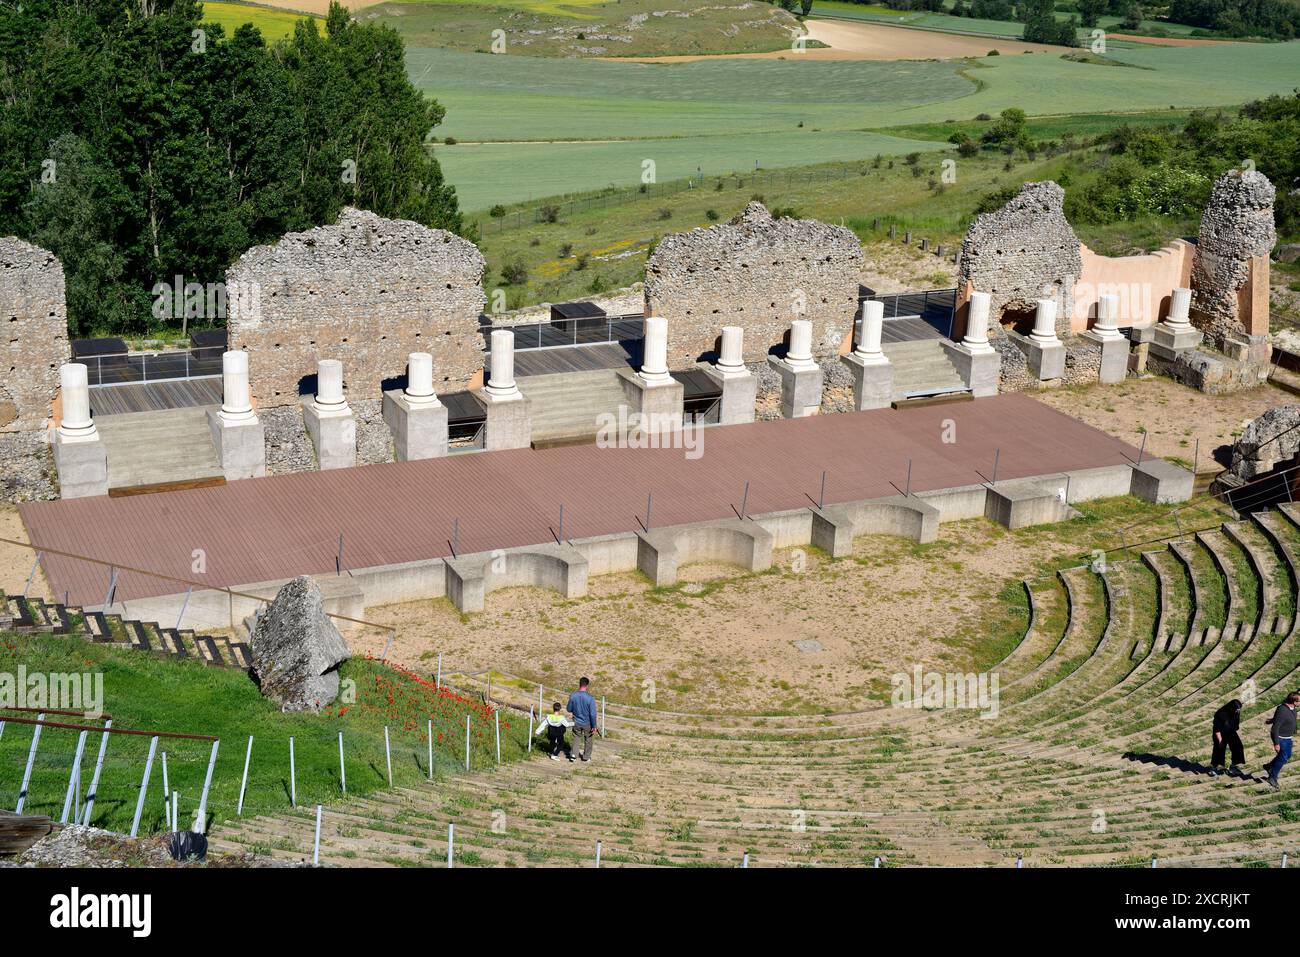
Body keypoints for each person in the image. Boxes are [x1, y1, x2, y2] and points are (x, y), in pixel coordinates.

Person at [1264, 692, 1299, 790]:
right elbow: (1275, 728)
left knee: (1287, 755)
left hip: (1288, 737)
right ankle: (1272, 777)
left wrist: (1271, 720)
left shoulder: (1292, 708)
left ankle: (1269, 766)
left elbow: (1278, 719)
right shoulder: (1283, 710)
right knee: (1283, 758)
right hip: (1281, 738)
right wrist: (1276, 743)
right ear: (1294, 701)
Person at [567, 676, 599, 763]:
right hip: (587, 722)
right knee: (588, 739)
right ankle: (586, 757)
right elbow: (592, 714)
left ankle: (573, 755)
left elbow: (569, 709)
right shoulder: (590, 698)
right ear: (587, 685)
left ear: (579, 684)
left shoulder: (573, 696)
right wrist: (594, 726)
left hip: (576, 721)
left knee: (576, 737)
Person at [1209, 699, 1244, 777]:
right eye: (1236, 710)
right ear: (1231, 708)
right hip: (1220, 734)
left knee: (1238, 747)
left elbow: (1236, 724)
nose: (1237, 711)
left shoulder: (1236, 712)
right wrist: (1220, 741)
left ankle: (1233, 766)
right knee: (1219, 750)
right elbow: (1217, 729)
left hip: (1230, 732)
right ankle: (1213, 768)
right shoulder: (1220, 714)